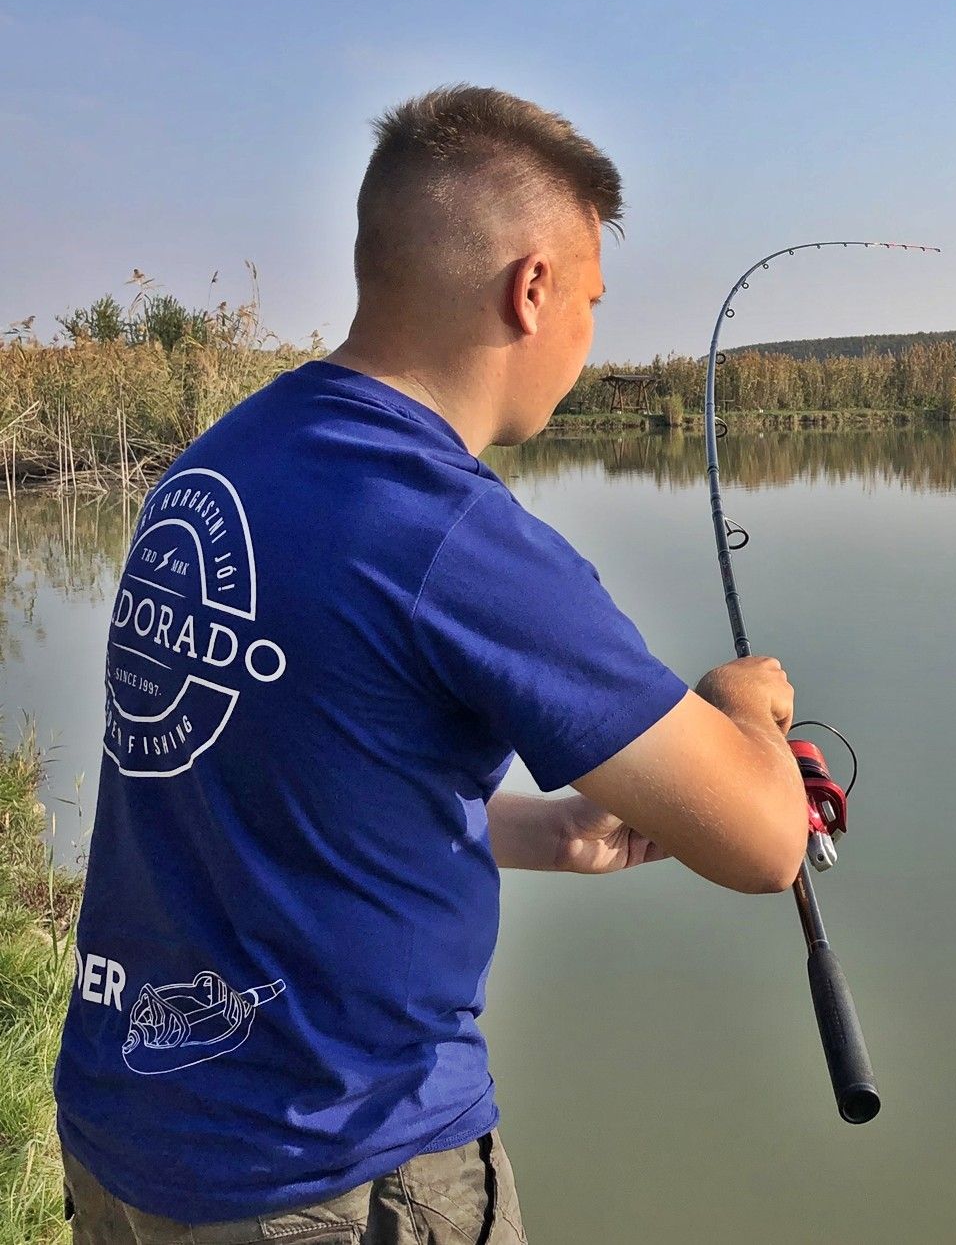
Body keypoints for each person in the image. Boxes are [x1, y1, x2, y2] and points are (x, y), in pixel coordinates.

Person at [53, 85, 809, 1242]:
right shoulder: (457, 537)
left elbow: (253, 771)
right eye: (592, 300)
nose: (587, 337)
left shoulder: (214, 472)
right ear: (533, 288)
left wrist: (537, 831)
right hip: (333, 1174)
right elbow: (765, 840)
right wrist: (741, 709)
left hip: (126, 1142)